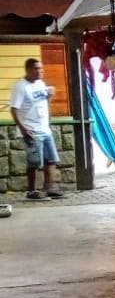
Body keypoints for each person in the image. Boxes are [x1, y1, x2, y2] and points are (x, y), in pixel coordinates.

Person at [10, 57, 63, 200]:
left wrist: (50, 96)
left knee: (51, 160)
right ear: (28, 69)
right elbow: (14, 109)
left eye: (41, 68)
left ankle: (50, 188)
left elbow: (43, 103)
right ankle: (31, 191)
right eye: (37, 68)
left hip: (45, 129)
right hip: (31, 130)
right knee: (34, 162)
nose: (40, 71)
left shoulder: (41, 83)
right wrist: (22, 129)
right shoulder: (21, 87)